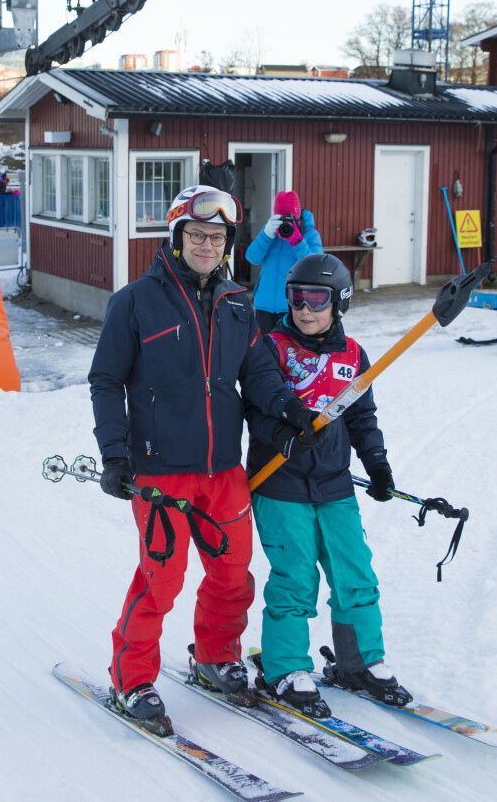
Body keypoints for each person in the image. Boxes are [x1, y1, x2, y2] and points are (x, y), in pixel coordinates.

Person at [88, 185, 326, 732]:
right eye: (197, 234)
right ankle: (132, 677)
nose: (207, 245)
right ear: (175, 237)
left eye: (217, 238)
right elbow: (105, 381)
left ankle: (216, 655)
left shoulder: (238, 303)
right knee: (161, 579)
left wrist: (290, 410)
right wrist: (115, 455)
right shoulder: (134, 302)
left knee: (230, 575)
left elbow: (259, 373)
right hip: (159, 473)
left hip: (223, 472)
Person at [245, 253, 412, 717]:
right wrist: (281, 435)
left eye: (316, 299)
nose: (304, 309)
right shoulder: (271, 347)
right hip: (279, 483)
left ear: (338, 302)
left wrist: (377, 465)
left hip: (334, 484)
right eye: (296, 298)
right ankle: (285, 669)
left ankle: (360, 662)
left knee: (354, 573)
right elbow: (255, 408)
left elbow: (362, 419)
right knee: (295, 577)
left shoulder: (353, 355)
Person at [245, 190, 323, 335]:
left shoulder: (310, 235)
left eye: (290, 218)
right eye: (281, 218)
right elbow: (252, 257)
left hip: (293, 306)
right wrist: (266, 235)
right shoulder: (270, 233)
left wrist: (297, 240)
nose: (285, 223)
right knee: (265, 350)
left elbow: (316, 266)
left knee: (290, 352)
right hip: (264, 305)